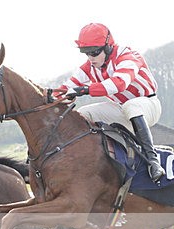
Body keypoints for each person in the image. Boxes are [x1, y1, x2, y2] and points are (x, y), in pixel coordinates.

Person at [54, 22, 165, 182]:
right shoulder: (88, 67)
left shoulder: (128, 56)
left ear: (108, 46)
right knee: (82, 114)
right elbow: (65, 88)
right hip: (120, 109)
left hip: (148, 106)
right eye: (86, 53)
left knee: (131, 106)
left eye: (94, 52)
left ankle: (153, 161)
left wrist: (85, 90)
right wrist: (42, 97)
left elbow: (119, 83)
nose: (90, 58)